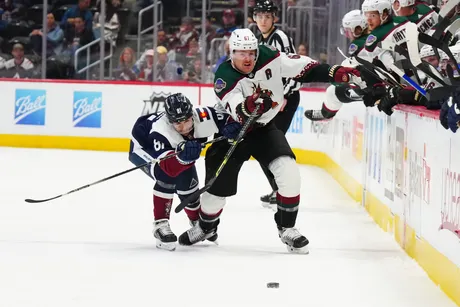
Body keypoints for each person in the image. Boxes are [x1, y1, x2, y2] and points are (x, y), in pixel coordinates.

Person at [177, 28, 360, 253]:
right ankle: (206, 227)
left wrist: (334, 72)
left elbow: (305, 68)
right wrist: (249, 106)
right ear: (231, 52)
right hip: (232, 132)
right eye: (242, 53)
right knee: (215, 193)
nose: (248, 58)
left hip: (263, 129)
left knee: (289, 173)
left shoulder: (270, 56)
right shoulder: (224, 76)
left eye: (251, 52)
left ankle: (287, 229)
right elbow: (237, 108)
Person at [128, 93, 241, 251]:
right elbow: (167, 167)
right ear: (169, 120)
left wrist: (230, 127)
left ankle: (198, 223)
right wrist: (184, 158)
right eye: (177, 123)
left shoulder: (202, 116)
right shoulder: (161, 132)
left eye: (187, 120)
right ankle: (160, 225)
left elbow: (225, 119)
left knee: (189, 183)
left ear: (192, 115)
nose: (184, 128)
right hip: (143, 148)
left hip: (174, 152)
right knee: (166, 176)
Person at [253, 0, 303, 206]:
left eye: (267, 16)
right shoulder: (257, 39)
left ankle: (284, 190)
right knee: (263, 145)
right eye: (259, 16)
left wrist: (283, 96)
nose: (263, 20)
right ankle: (279, 190)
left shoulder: (280, 38)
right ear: (254, 18)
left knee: (273, 144)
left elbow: (294, 68)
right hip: (270, 100)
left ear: (275, 17)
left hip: (284, 99)